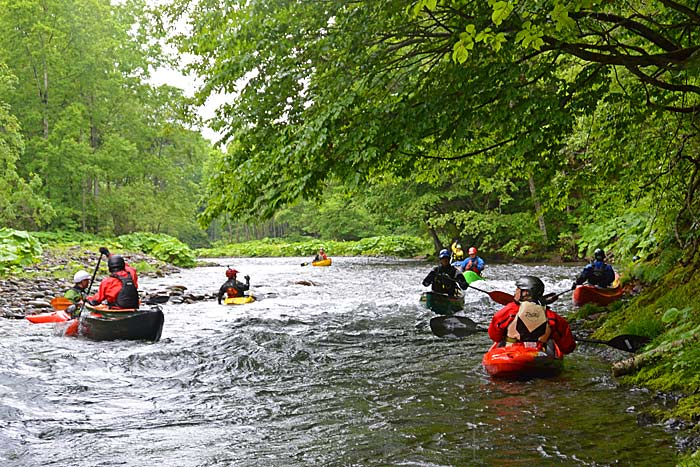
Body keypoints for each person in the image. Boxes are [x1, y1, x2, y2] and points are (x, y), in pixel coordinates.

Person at [488, 276, 576, 354]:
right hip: (539, 353)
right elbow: (567, 346)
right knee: (550, 341)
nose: (515, 292)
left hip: (511, 352)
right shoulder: (551, 316)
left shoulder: (509, 311)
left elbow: (494, 335)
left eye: (518, 289)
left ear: (526, 293)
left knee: (502, 340)